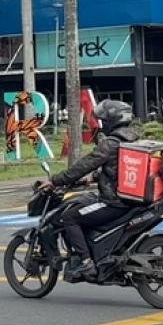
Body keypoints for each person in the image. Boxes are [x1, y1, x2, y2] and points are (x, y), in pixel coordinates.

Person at [43, 100, 139, 281]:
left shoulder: (111, 143)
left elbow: (84, 165)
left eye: (104, 120)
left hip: (114, 202)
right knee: (86, 203)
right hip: (130, 200)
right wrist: (95, 178)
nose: (101, 124)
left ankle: (86, 262)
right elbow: (118, 168)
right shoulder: (133, 139)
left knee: (69, 217)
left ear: (112, 121)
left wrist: (55, 180)